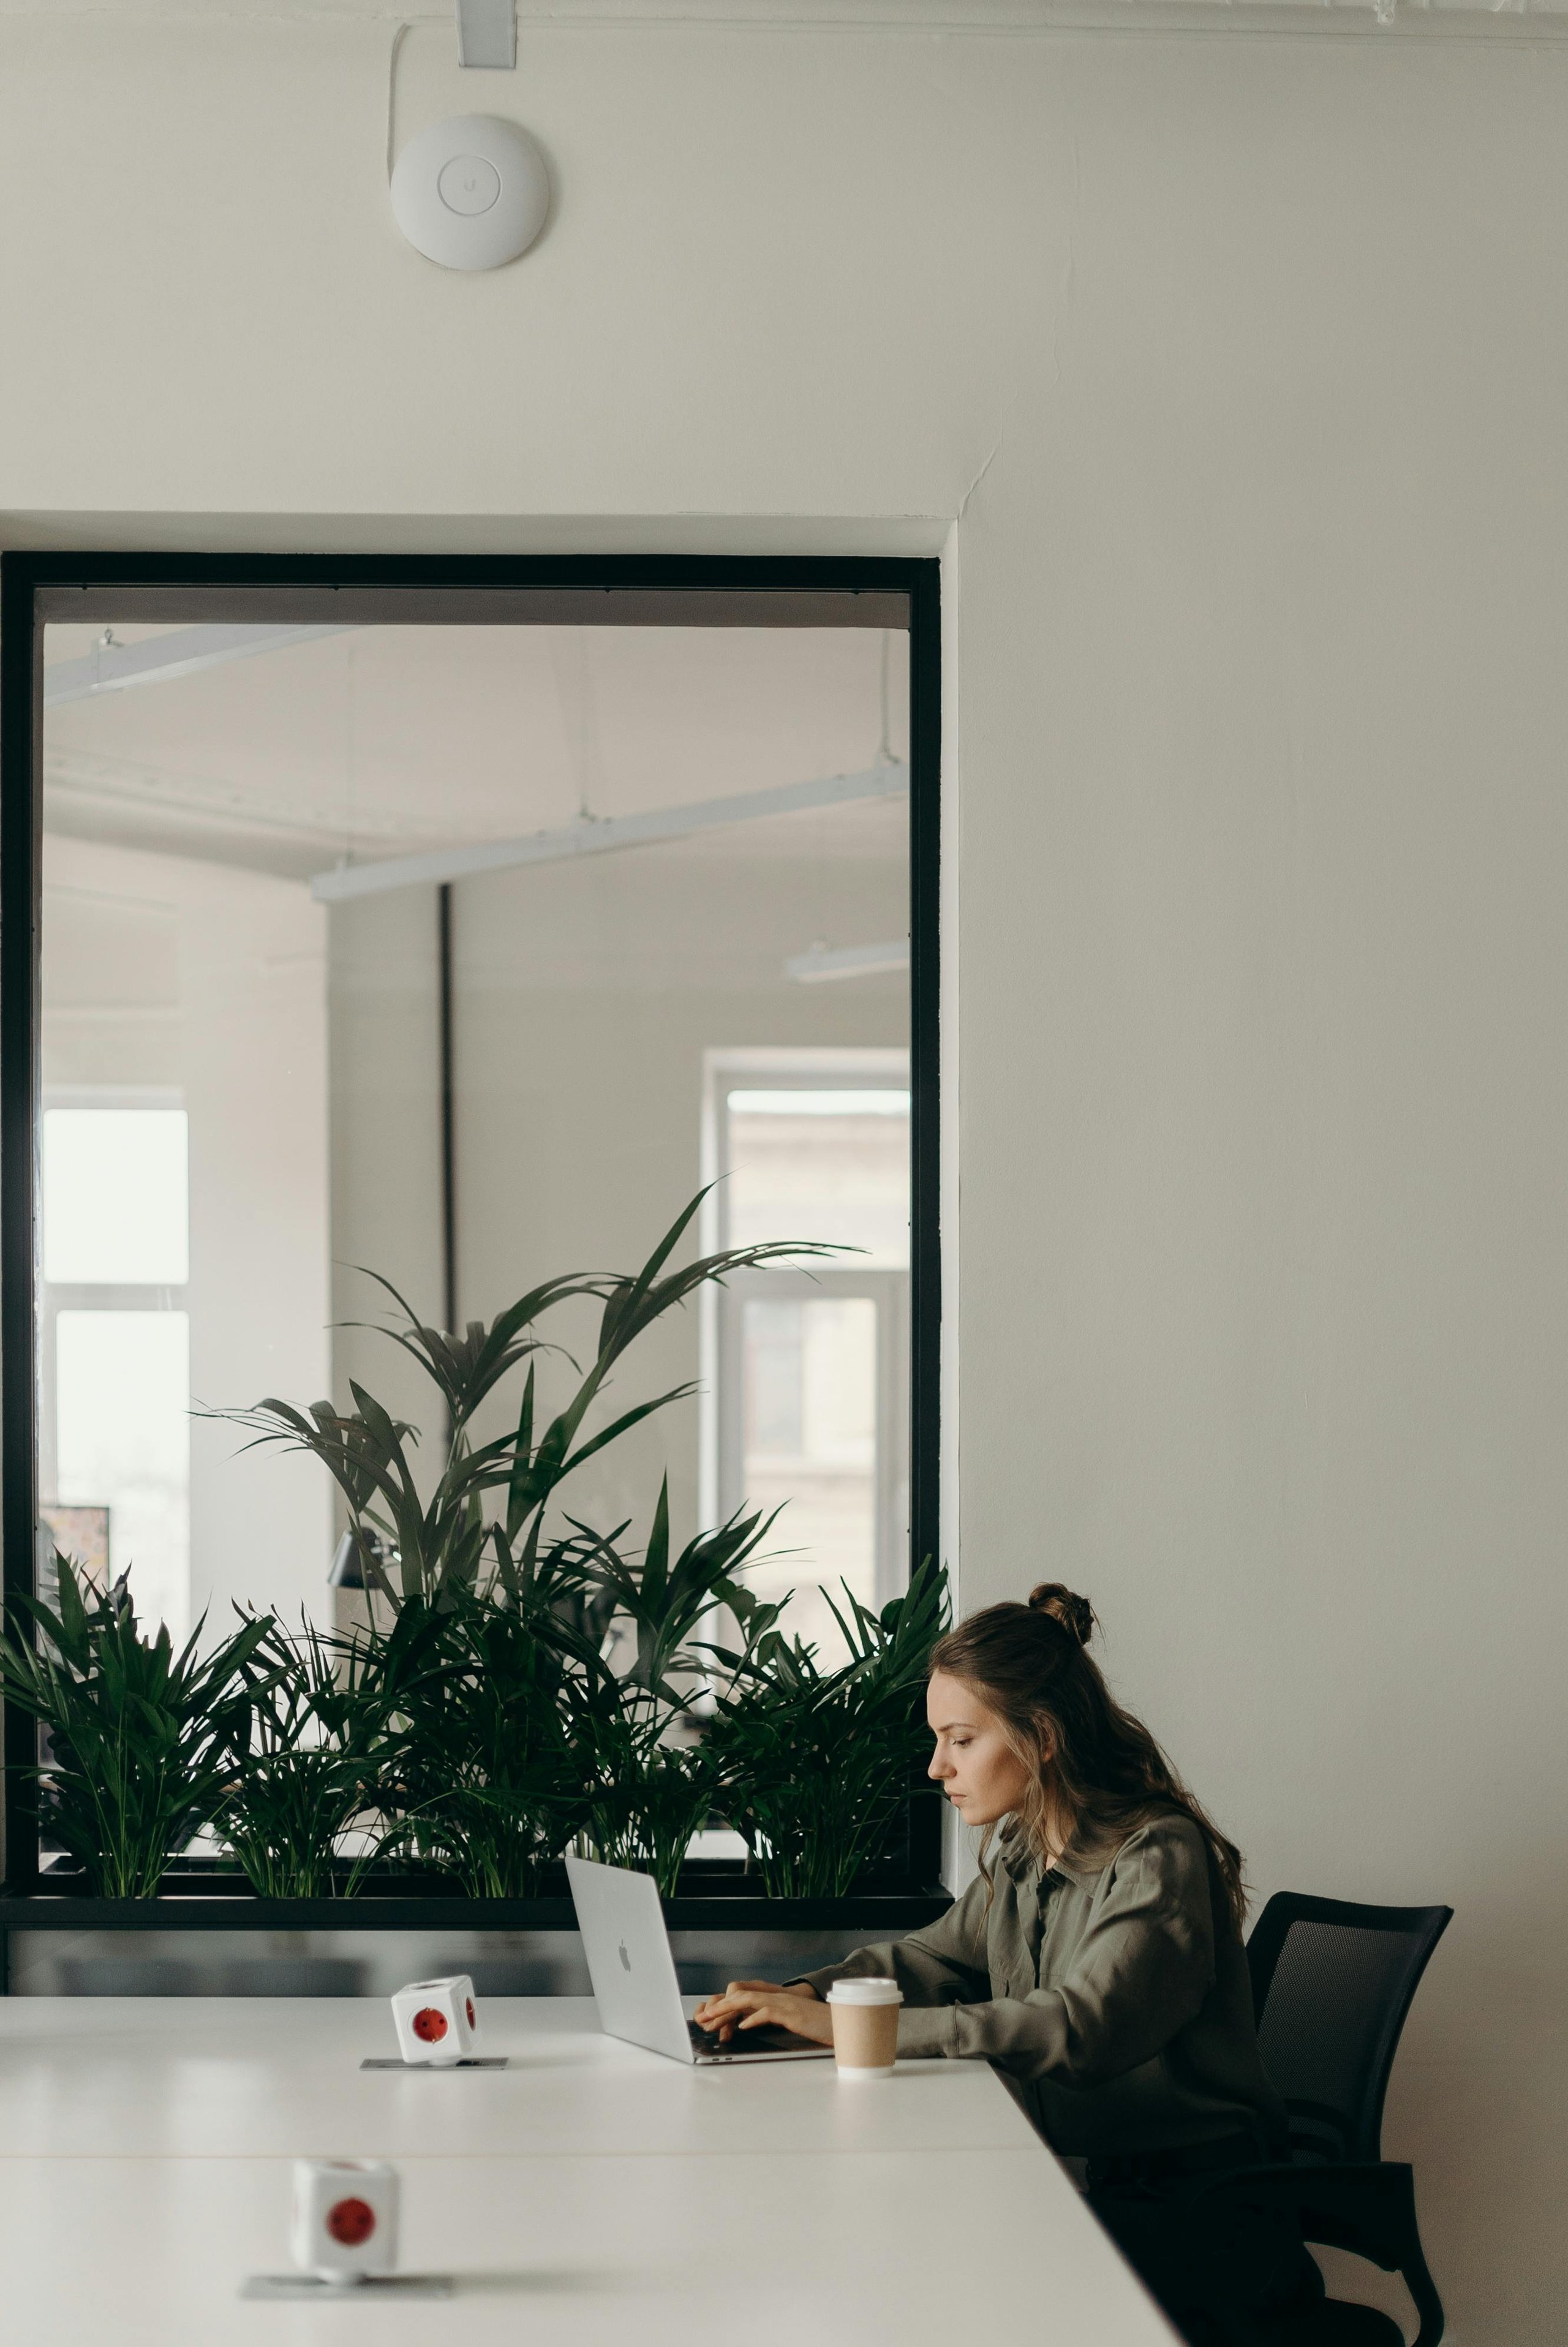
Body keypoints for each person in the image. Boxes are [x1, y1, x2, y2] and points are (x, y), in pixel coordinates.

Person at [694, 1584, 1328, 2346]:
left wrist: (846, 2029)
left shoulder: (1156, 1854)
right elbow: (931, 1955)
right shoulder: (1027, 1848)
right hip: (1095, 2184)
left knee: (917, 2274)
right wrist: (801, 1995)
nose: (936, 1767)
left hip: (1200, 2219)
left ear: (1042, 1736)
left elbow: (1081, 2027)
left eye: (960, 1739)